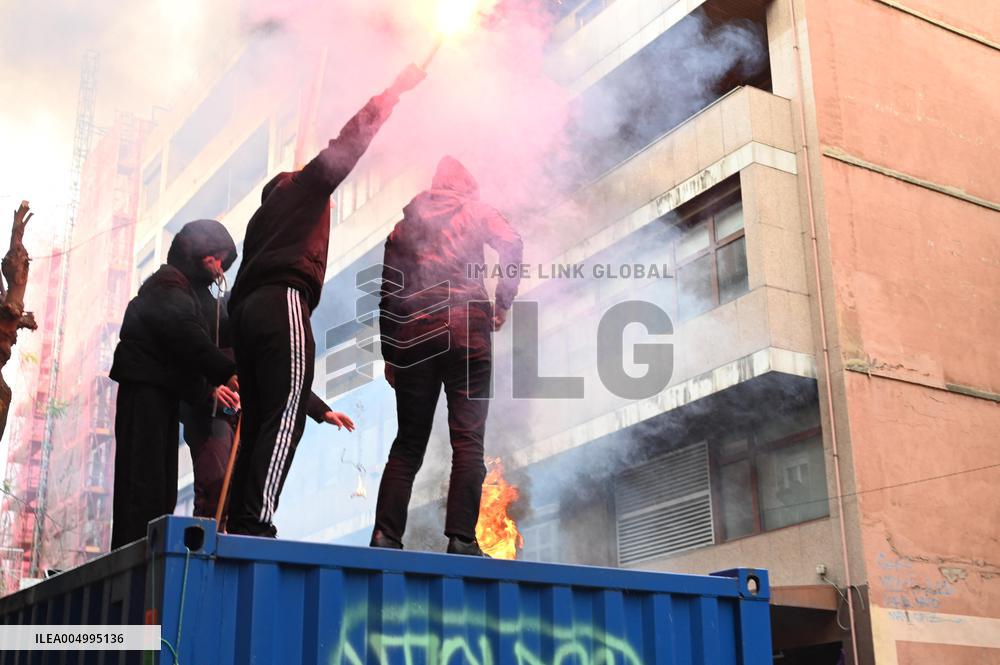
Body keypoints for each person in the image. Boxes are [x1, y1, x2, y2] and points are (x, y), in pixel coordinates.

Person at [225, 65, 425, 537]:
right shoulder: (301, 191)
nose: (331, 204)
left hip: (247, 314)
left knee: (261, 416)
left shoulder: (263, 222)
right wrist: (392, 92)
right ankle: (257, 521)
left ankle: (240, 519)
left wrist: (320, 408)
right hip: (283, 301)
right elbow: (348, 143)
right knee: (283, 413)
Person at [370, 156, 523, 556]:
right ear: (466, 188)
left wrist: (391, 353)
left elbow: (387, 293)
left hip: (413, 336)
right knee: (468, 441)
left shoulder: (403, 229)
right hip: (466, 331)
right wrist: (502, 302)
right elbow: (512, 243)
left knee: (408, 443)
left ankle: (385, 536)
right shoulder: (477, 211)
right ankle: (461, 539)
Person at [109, 219, 240, 549]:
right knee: (143, 484)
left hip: (159, 394)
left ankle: (146, 555)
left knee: (159, 487)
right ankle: (137, 557)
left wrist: (206, 390)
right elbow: (186, 337)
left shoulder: (181, 293)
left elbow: (177, 359)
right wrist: (226, 372)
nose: (220, 267)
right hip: (144, 394)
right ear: (200, 253)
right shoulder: (167, 286)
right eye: (217, 258)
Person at [181, 289, 349, 525]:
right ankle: (206, 536)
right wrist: (210, 391)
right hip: (210, 418)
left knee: (242, 484)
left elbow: (282, 378)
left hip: (242, 421)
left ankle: (232, 533)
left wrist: (322, 411)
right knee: (215, 482)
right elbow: (190, 365)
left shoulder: (255, 347)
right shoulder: (209, 330)